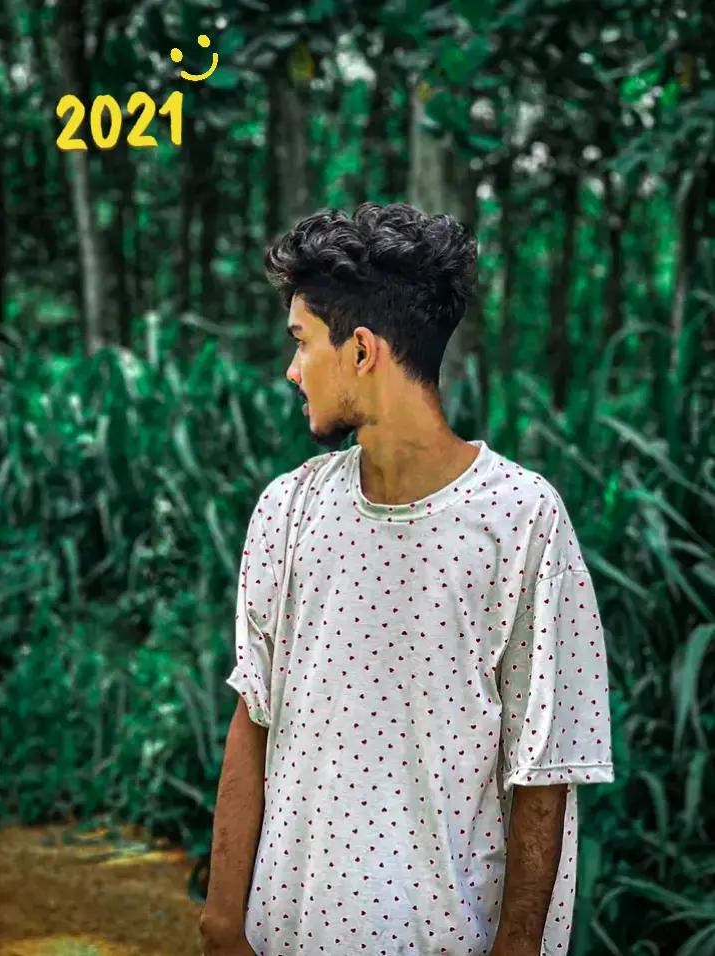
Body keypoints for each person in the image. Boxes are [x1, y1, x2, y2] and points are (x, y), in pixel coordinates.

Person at [199, 202, 615, 956]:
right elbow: (252, 715)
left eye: (301, 342)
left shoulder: (522, 518)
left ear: (361, 350)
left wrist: (516, 947)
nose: (292, 370)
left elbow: (546, 766)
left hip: (444, 936)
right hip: (285, 931)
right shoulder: (288, 510)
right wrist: (223, 921)